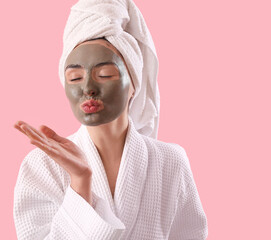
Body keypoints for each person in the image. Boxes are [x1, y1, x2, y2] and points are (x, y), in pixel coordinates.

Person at [13, 0, 208, 239]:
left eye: (105, 74)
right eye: (74, 78)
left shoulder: (170, 161)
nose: (88, 88)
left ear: (133, 85)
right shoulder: (41, 166)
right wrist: (80, 182)